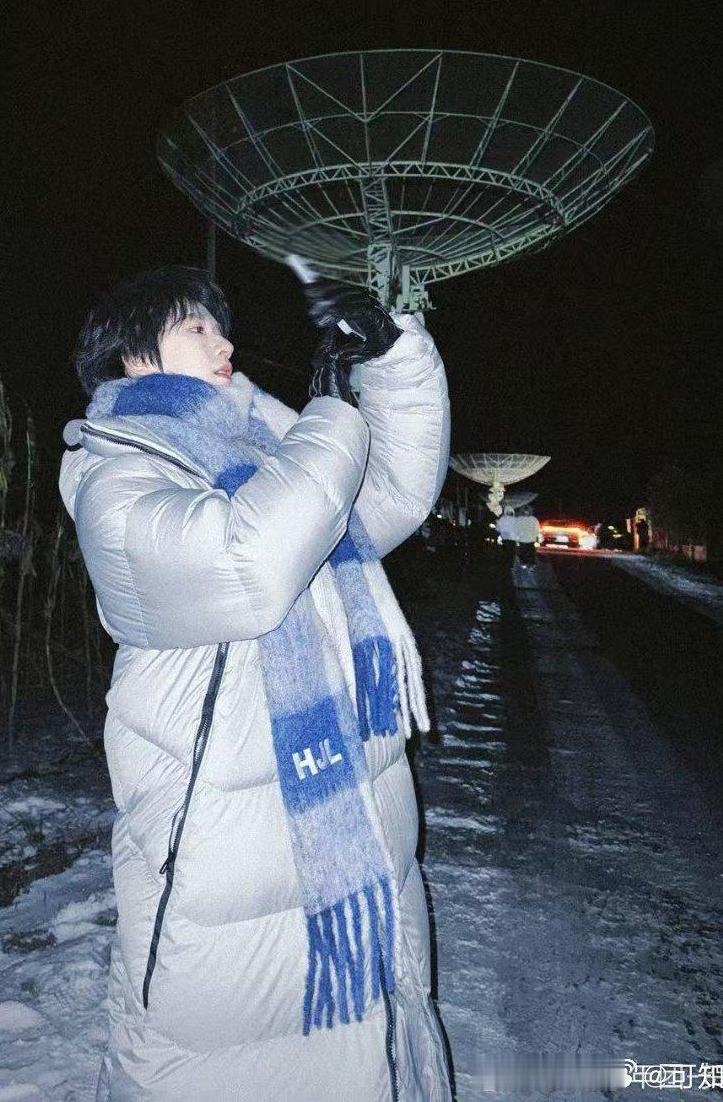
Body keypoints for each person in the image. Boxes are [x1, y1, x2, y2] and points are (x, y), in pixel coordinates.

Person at [60, 264, 453, 1102]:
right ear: (132, 357)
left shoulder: (267, 448)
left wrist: (387, 365)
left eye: (220, 324)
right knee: (227, 1063)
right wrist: (331, 414)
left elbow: (390, 495)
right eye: (197, 326)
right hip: (224, 858)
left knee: (362, 1048)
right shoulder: (117, 479)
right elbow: (249, 562)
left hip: (347, 816)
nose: (226, 341)